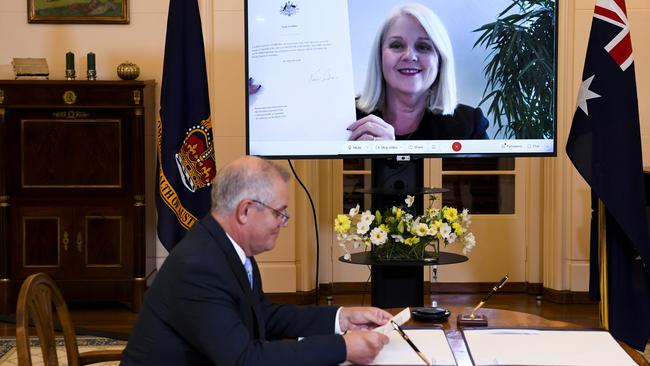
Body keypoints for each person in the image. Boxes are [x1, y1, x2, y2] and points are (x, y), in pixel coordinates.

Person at [121, 156, 391, 366]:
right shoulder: (199, 266)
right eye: (280, 213)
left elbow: (264, 315)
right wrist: (343, 347)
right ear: (246, 211)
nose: (283, 223)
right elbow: (244, 360)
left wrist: (342, 318)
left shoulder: (228, 248)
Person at [347, 3, 489, 141]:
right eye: (397, 45)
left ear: (440, 60)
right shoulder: (347, 117)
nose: (409, 56)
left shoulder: (469, 126)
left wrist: (391, 152)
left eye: (423, 46)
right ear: (379, 57)